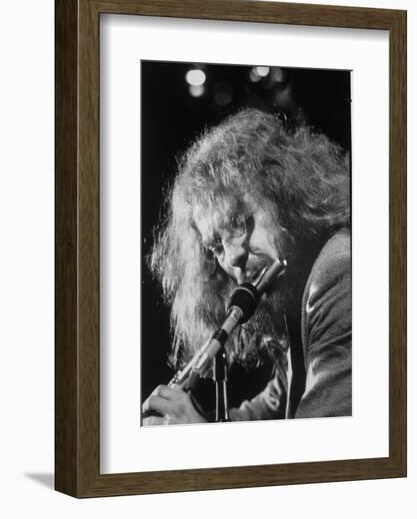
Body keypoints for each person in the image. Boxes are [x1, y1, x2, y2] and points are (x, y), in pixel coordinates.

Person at [142, 108, 351, 425]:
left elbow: (321, 452)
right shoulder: (293, 302)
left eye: (239, 223)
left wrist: (202, 442)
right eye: (216, 246)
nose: (232, 258)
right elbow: (271, 408)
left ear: (285, 198)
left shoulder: (338, 274)